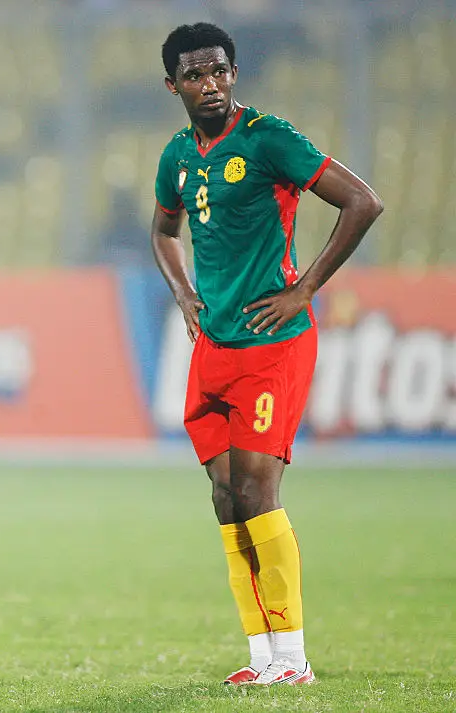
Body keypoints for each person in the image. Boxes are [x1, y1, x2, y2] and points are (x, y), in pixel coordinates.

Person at [150, 23, 382, 686]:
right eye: (195, 76)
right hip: (215, 344)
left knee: (256, 488)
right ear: (174, 86)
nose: (211, 85)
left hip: (273, 344)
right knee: (226, 498)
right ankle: (260, 657)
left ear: (234, 72)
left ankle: (294, 657)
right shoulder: (177, 155)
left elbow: (363, 201)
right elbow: (163, 228)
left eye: (220, 71)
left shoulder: (267, 138)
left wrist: (304, 287)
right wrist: (183, 293)